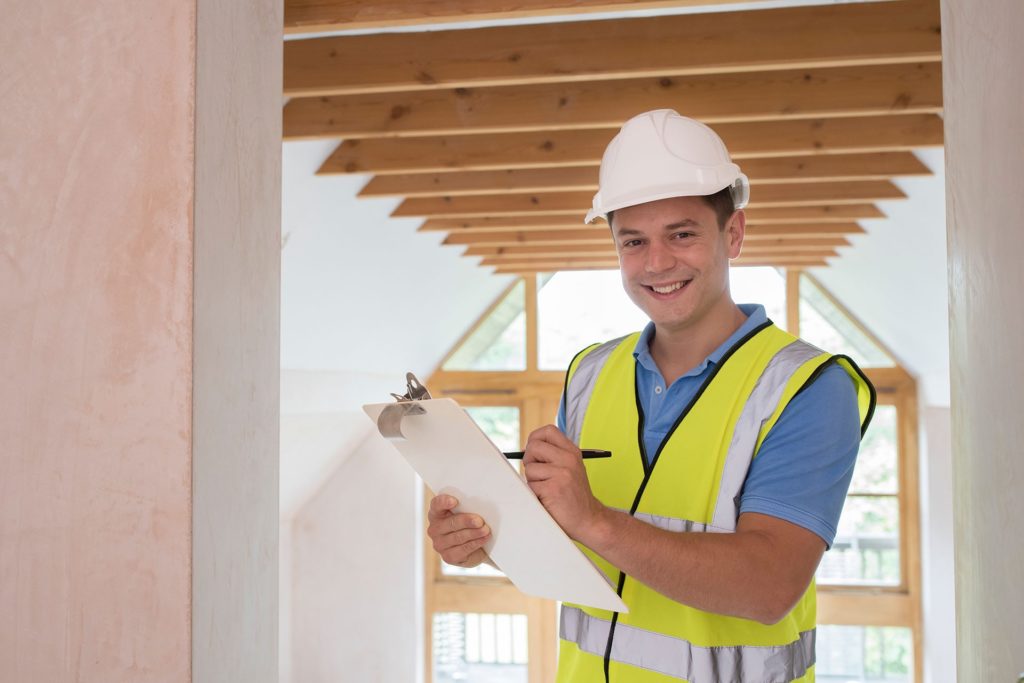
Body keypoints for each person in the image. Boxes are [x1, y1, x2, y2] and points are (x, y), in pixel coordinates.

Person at [427, 109, 876, 682]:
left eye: (682, 234)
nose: (657, 263)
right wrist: (482, 537)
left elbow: (769, 588)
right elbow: (566, 544)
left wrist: (594, 520)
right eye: (633, 241)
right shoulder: (590, 373)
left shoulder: (805, 387)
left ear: (732, 233)